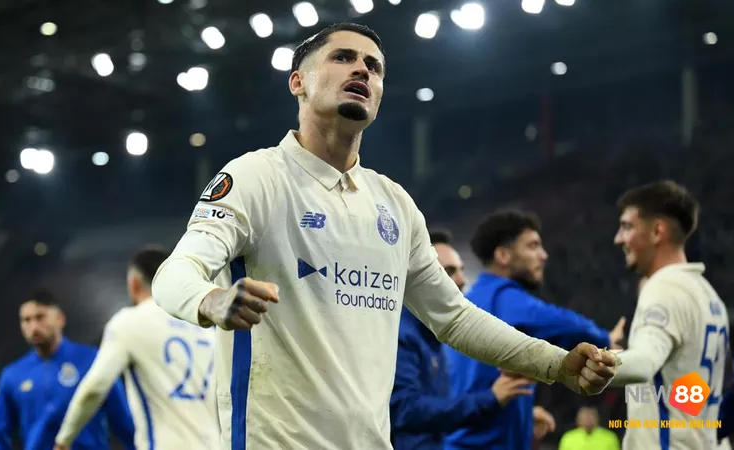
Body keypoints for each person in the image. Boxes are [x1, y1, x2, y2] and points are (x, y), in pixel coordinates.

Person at [151, 22, 619, 450]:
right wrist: (212, 300)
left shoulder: (394, 203)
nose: (362, 69)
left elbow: (455, 318)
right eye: (342, 57)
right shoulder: (256, 177)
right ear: (297, 82)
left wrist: (556, 364)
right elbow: (174, 273)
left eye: (373, 67)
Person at [444, 209, 625, 450]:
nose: (543, 255)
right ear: (503, 255)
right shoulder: (504, 298)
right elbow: (564, 323)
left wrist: (523, 416)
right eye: (532, 246)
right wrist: (604, 337)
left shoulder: (472, 299)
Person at [53, 247, 220, 449]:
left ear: (133, 283)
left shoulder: (128, 322)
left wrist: (64, 439)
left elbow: (95, 388)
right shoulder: (205, 330)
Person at [390, 229, 537, 449]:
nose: (461, 280)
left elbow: (445, 404)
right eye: (449, 271)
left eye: (461, 270)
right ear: (416, 275)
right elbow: (406, 410)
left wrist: (515, 416)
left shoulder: (433, 333)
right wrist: (490, 398)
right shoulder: (402, 334)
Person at [609, 180, 729, 450]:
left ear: (657, 231)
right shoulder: (709, 297)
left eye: (627, 227)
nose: (618, 238)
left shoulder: (663, 288)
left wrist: (588, 359)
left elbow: (643, 363)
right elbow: (690, 388)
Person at [0, 291, 135, 450]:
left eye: (40, 317)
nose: (33, 327)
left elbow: (123, 422)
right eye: (26, 320)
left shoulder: (93, 361)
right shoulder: (13, 375)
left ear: (60, 319)